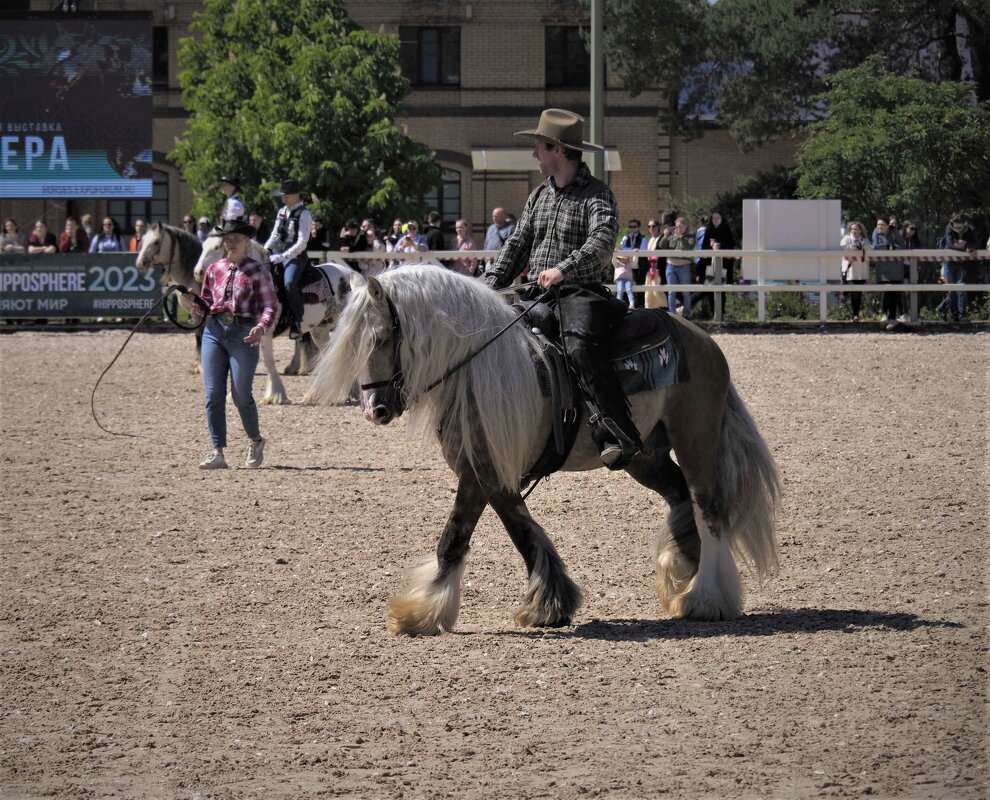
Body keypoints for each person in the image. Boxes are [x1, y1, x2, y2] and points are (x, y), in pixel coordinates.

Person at [483, 107, 639, 469]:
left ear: (557, 150)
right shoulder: (539, 196)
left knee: (579, 346)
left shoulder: (598, 195)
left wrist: (563, 271)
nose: (534, 154)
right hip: (536, 295)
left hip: (581, 293)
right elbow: (517, 244)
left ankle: (619, 432)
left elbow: (601, 242)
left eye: (538, 146)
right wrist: (488, 288)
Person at [190, 218, 276, 470]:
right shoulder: (214, 269)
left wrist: (261, 326)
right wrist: (193, 300)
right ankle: (217, 451)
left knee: (240, 394)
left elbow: (270, 305)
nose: (231, 243)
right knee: (213, 394)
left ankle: (255, 440)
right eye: (227, 239)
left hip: (244, 333)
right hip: (214, 331)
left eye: (236, 238)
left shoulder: (258, 271)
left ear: (247, 241)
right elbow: (205, 302)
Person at [263, 178, 313, 338]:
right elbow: (276, 234)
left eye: (287, 196)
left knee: (289, 282)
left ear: (296, 195)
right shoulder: (282, 212)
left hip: (296, 257)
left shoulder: (304, 214)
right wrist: (265, 250)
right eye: (283, 196)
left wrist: (283, 257)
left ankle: (298, 321)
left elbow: (302, 242)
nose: (284, 198)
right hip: (277, 254)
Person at [936, 214, 979, 322]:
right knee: (951, 289)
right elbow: (949, 244)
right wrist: (963, 246)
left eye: (960, 227)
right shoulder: (949, 227)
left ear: (965, 224)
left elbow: (975, 243)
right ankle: (954, 315)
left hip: (962, 263)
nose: (957, 229)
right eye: (955, 227)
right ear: (952, 223)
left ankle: (961, 315)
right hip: (949, 262)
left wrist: (966, 245)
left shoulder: (971, 229)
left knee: (962, 288)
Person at [870, 217, 906, 328]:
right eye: (878, 225)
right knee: (886, 292)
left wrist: (893, 247)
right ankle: (885, 315)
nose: (880, 227)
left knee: (894, 293)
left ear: (887, 225)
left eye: (882, 225)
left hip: (895, 268)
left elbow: (902, 246)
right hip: (882, 268)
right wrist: (888, 246)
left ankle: (892, 318)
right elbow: (874, 247)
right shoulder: (875, 232)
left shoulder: (895, 232)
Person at [658, 217, 696, 317]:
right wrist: (666, 236)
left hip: (684, 266)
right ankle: (672, 314)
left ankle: (686, 314)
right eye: (677, 226)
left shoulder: (690, 237)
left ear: (685, 227)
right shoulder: (672, 237)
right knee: (671, 291)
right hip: (670, 265)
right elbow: (661, 246)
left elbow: (686, 248)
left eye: (680, 226)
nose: (678, 228)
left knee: (686, 292)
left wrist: (679, 237)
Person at [840, 221, 871, 322]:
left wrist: (862, 247)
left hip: (861, 271)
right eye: (852, 229)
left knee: (858, 293)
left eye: (856, 229)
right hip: (849, 270)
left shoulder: (864, 240)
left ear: (860, 230)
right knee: (852, 291)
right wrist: (850, 248)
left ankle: (855, 314)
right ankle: (853, 313)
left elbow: (870, 249)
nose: (854, 231)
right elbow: (841, 248)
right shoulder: (846, 239)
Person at [618, 219, 648, 308]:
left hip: (639, 266)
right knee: (625, 286)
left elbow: (642, 250)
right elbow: (622, 249)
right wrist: (632, 251)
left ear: (638, 228)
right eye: (630, 226)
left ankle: (640, 307)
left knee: (640, 286)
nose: (632, 228)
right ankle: (625, 306)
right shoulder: (625, 237)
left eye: (634, 226)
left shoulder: (643, 238)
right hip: (627, 265)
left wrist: (629, 251)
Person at [705, 210, 736, 285]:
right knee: (712, 288)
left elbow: (731, 246)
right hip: (711, 263)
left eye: (718, 218)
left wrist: (720, 245)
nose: (715, 220)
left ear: (722, 219)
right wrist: (711, 245)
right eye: (713, 218)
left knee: (725, 286)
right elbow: (704, 247)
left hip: (725, 263)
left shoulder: (727, 230)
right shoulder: (708, 230)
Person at [644, 219, 668, 309]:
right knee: (648, 292)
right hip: (650, 268)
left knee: (657, 290)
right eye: (649, 226)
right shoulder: (650, 239)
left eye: (653, 226)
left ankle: (665, 307)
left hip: (658, 268)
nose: (651, 228)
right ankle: (649, 308)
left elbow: (661, 251)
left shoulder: (661, 238)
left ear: (658, 227)